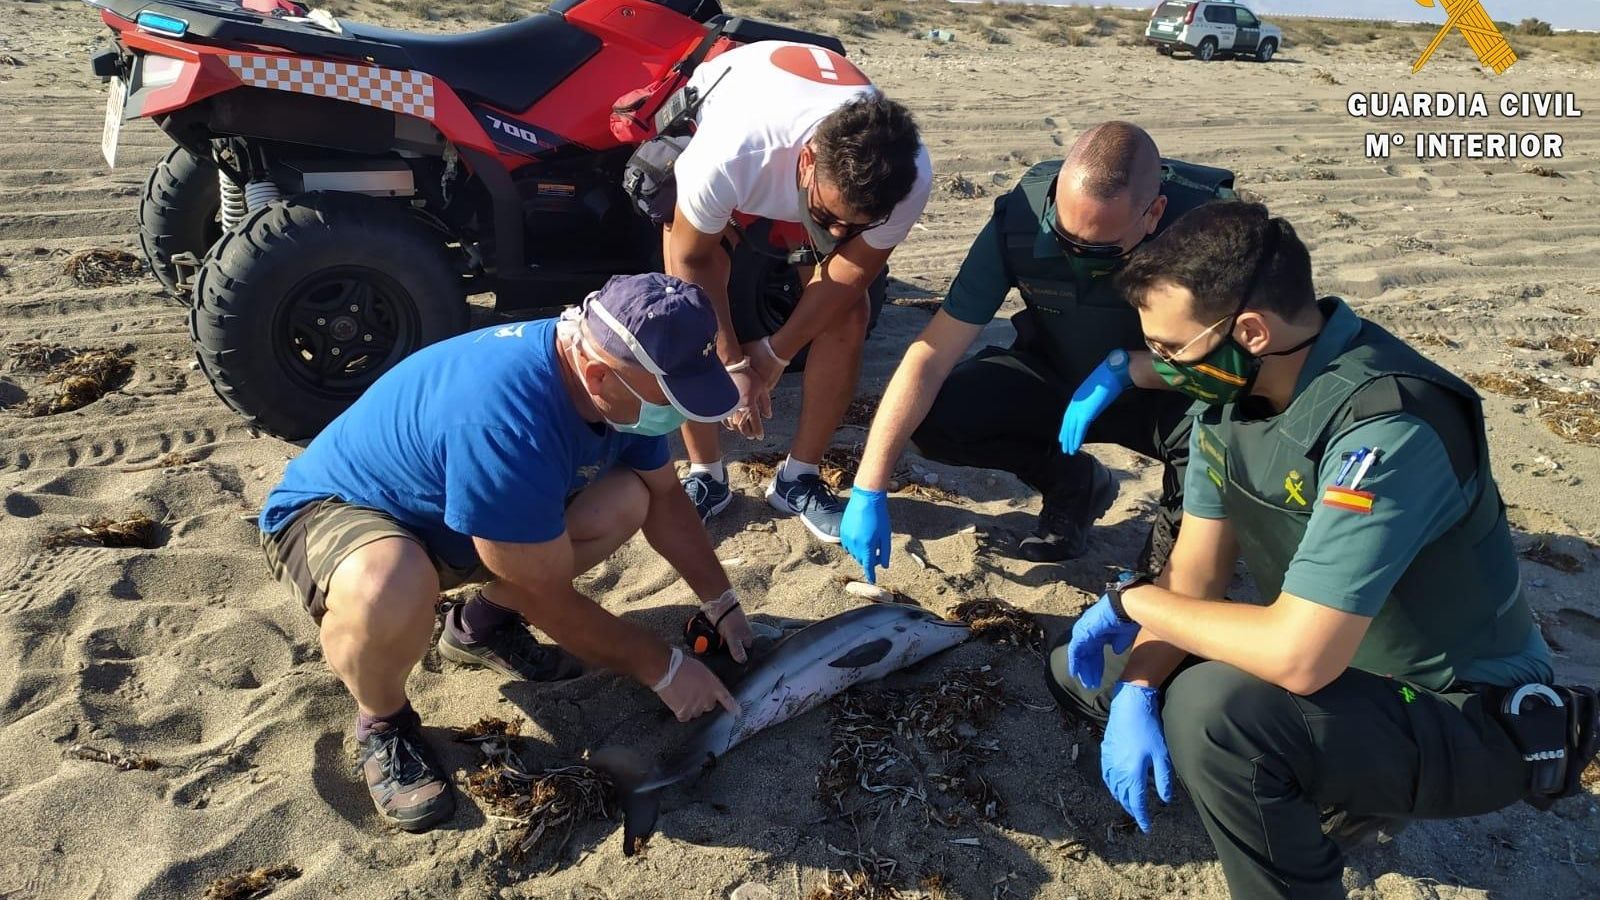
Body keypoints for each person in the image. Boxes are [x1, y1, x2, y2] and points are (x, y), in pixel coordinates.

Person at [1050, 202, 1555, 899]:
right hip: (1341, 665)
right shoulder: (1227, 402)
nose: (1160, 367)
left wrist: (1129, 599)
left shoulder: (1388, 427)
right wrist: (1136, 685)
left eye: (1170, 351)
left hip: (1466, 714)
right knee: (1093, 672)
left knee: (1214, 712)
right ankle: (1322, 782)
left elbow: (1299, 655)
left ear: (1249, 332)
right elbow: (1193, 576)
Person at [256, 273, 756, 833]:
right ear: (596, 374)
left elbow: (666, 498)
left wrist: (723, 600)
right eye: (670, 401)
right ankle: (384, 724)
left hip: (468, 519)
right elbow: (547, 595)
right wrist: (662, 668)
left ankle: (480, 625)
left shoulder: (614, 381)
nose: (676, 418)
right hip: (344, 513)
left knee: (627, 496)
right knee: (388, 588)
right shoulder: (505, 415)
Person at [840, 122, 1235, 580]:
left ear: (1153, 213)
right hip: (1057, 378)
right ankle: (1075, 486)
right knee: (937, 415)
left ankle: (1161, 574)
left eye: (1100, 249)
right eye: (1064, 239)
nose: (1076, 256)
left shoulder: (1213, 230)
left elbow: (1247, 366)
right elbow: (931, 353)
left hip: (1167, 393)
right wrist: (869, 487)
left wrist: (1129, 368)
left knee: (1219, 445)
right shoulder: (1022, 218)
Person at [662, 39, 933, 543]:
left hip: (796, 174)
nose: (834, 234)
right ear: (808, 160)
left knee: (850, 317)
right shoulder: (732, 154)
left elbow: (851, 276)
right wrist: (732, 361)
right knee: (681, 313)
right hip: (730, 129)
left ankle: (799, 478)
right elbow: (693, 260)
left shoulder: (909, 178)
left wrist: (772, 354)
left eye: (853, 225)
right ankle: (706, 475)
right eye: (827, 217)